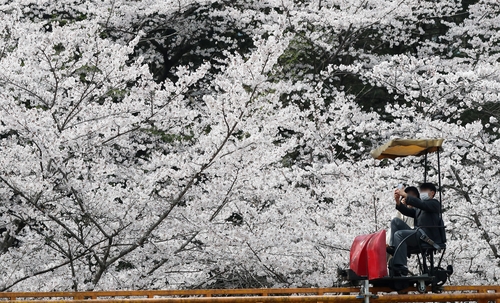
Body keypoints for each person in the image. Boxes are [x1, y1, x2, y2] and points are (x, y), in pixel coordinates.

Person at [386, 183, 444, 276]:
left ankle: (401, 265)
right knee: (395, 221)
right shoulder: (420, 209)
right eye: (421, 191)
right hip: (418, 233)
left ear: (432, 193)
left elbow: (421, 204)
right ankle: (394, 248)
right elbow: (408, 211)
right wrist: (398, 201)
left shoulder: (434, 204)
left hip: (426, 237)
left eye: (424, 191)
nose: (422, 193)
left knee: (399, 234)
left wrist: (405, 194)